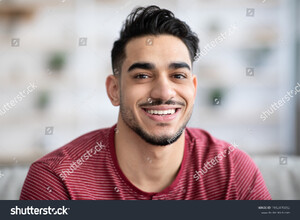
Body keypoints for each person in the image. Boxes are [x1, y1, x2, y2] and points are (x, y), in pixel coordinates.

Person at [20, 5, 271, 200]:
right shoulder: (56, 180)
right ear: (115, 90)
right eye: (142, 75)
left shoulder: (232, 172)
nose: (163, 92)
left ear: (193, 89)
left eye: (178, 76)